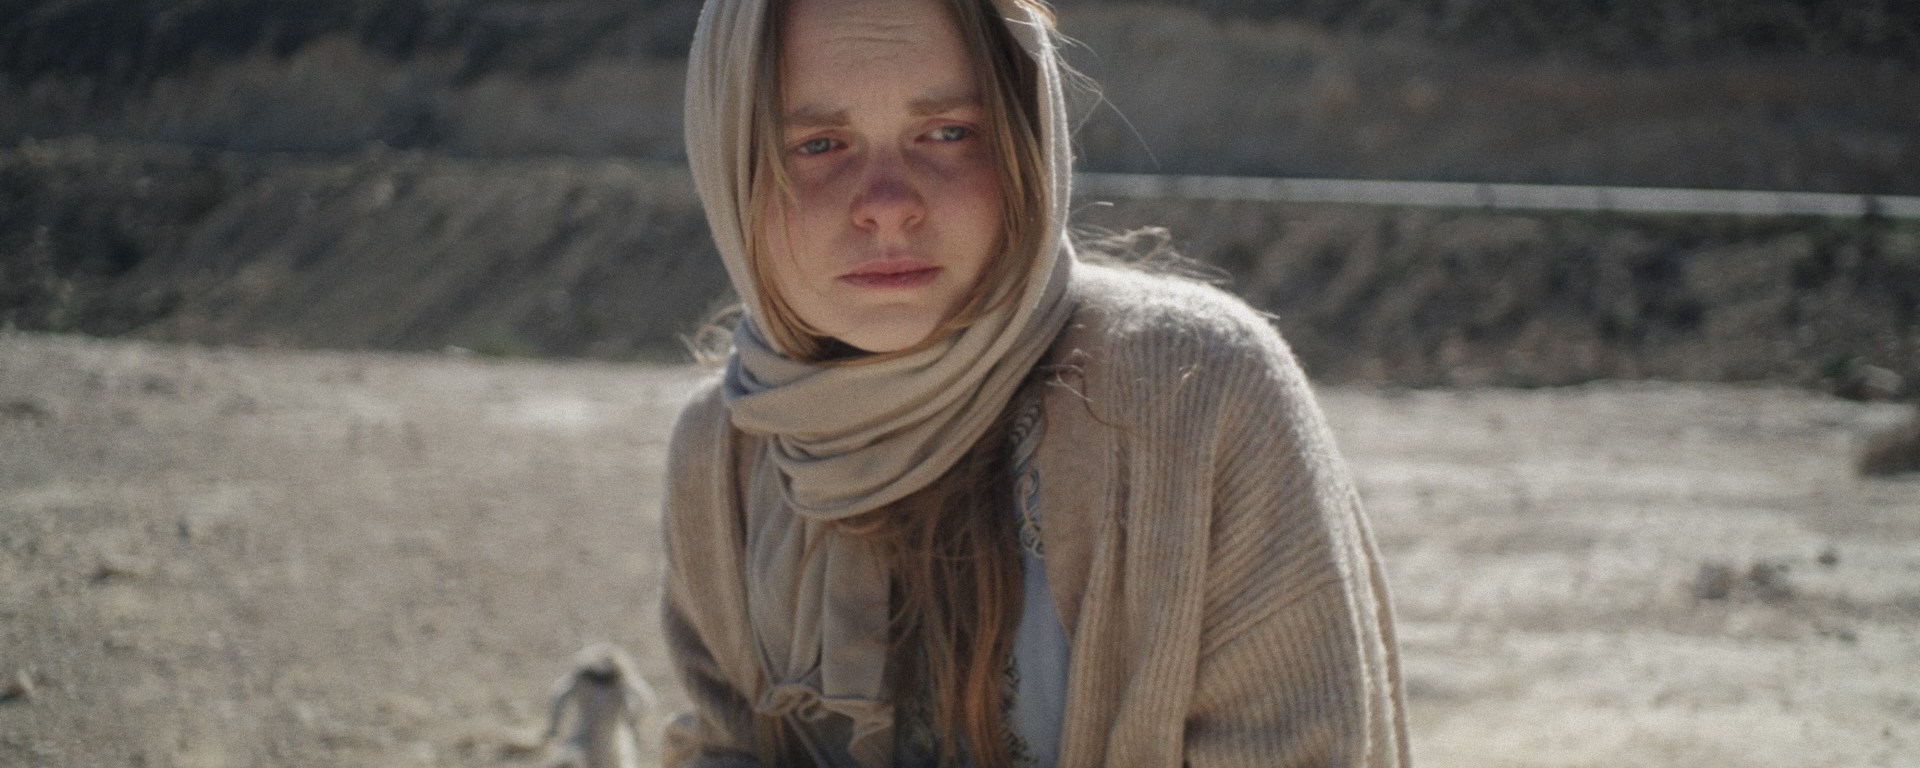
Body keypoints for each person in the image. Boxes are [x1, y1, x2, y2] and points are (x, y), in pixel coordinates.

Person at [661, 0, 1409, 765]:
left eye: (947, 132)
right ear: (731, 164)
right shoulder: (723, 452)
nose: (888, 206)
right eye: (819, 144)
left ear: (1023, 140)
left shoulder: (1195, 395)